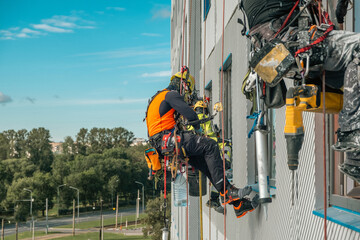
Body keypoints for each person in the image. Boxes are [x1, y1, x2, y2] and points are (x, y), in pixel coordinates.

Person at [241, 0, 360, 183]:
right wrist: (340, 10)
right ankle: (352, 134)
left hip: (284, 53)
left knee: (351, 77)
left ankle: (355, 158)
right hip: (295, 43)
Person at [145, 68, 259, 217]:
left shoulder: (157, 99)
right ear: (183, 85)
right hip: (170, 140)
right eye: (187, 91)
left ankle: (237, 204)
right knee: (210, 145)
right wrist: (198, 130)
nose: (186, 95)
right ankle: (227, 191)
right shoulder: (170, 94)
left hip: (167, 144)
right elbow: (190, 114)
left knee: (206, 164)